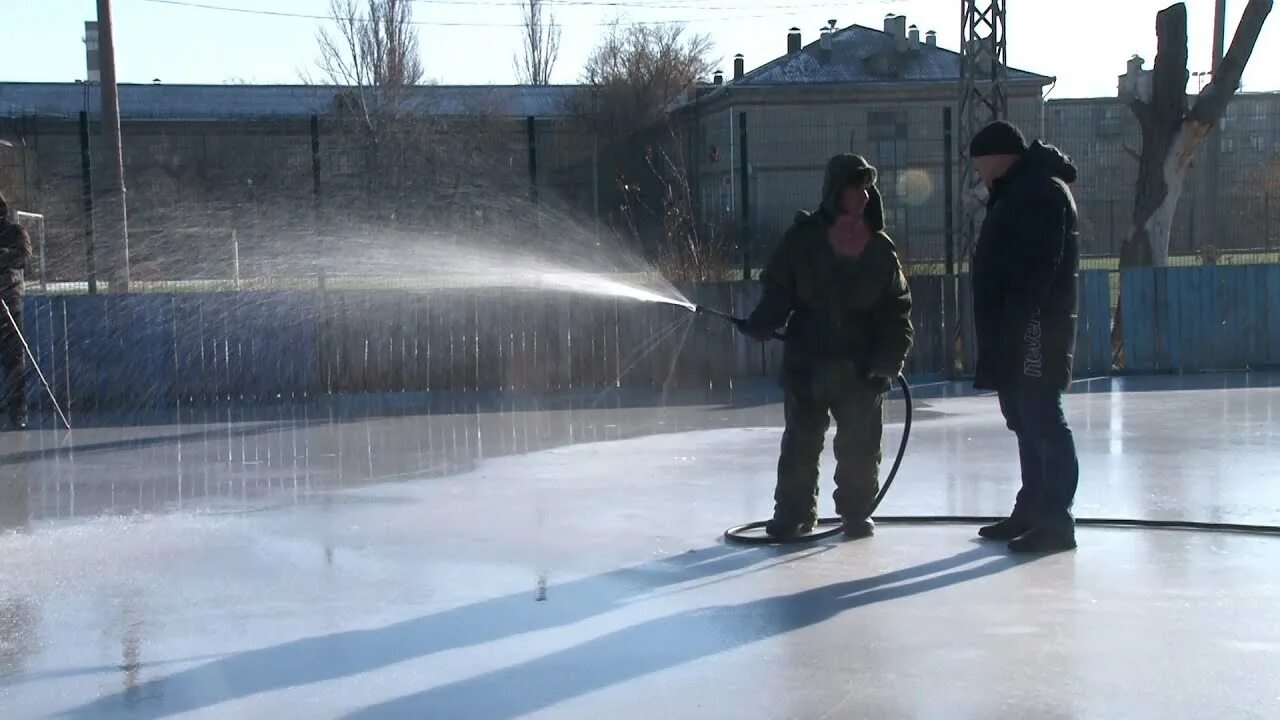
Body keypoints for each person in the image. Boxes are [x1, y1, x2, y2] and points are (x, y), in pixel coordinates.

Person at [738, 154, 913, 540]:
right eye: (856, 189)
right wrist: (762, 322)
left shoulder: (879, 250)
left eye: (868, 189)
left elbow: (897, 310)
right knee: (801, 443)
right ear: (837, 191)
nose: (865, 197)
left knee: (860, 446)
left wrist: (889, 357)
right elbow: (779, 291)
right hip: (809, 365)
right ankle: (794, 514)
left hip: (860, 368)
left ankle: (856, 512)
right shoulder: (802, 241)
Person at [968, 120, 1081, 554]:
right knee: (1024, 419)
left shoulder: (1040, 192)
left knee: (1042, 419)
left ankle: (1056, 519)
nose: (978, 173)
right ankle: (1033, 509)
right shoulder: (1018, 191)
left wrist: (1018, 322)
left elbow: (1038, 268)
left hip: (1035, 327)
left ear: (998, 157)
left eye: (980, 163)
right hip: (1017, 327)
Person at [0, 191, 30, 431]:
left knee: (13, 357)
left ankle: (17, 411)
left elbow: (23, 259)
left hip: (8, 301)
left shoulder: (14, 231)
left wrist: (3, 255)